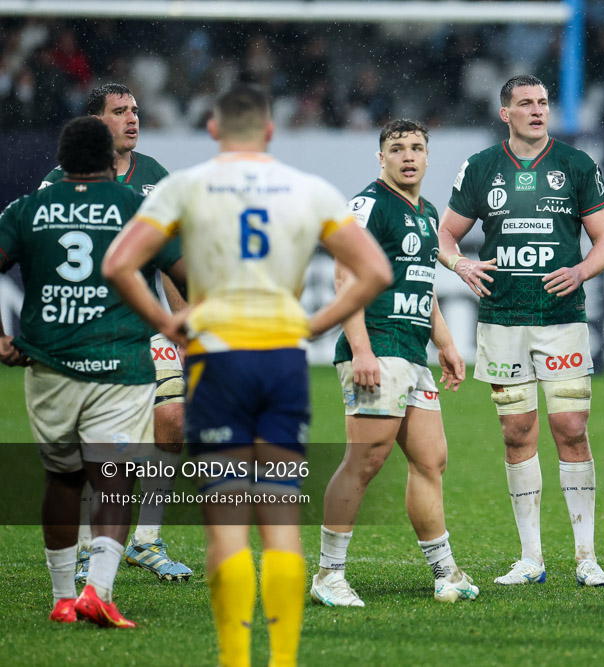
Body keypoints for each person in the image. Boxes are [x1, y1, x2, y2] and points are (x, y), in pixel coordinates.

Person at [103, 84, 391, 667]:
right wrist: (312, 325)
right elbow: (374, 270)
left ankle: (236, 657)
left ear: (212, 129)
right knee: (280, 516)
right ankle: (282, 659)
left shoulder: (186, 186)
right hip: (280, 358)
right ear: (269, 130)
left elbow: (118, 263)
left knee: (227, 524)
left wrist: (168, 320)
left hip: (217, 360)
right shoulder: (306, 189)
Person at [0, 116, 184, 628]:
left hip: (49, 365)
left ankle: (63, 598)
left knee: (62, 480)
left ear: (62, 161)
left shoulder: (28, 208)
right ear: (109, 160)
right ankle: (97, 592)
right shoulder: (134, 208)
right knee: (114, 479)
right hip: (118, 365)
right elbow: (185, 271)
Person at [438, 75, 604, 587]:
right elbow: (445, 234)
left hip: (561, 320)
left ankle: (586, 558)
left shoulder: (577, 165)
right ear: (506, 113)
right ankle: (531, 558)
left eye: (542, 102)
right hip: (502, 320)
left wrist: (581, 271)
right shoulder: (480, 168)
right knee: (517, 433)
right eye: (526, 104)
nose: (537, 111)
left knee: (571, 429)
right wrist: (461, 267)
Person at [311, 119, 478, 607]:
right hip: (377, 347)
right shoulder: (368, 206)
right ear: (380, 158)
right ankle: (329, 574)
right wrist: (361, 348)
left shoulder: (427, 213)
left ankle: (445, 571)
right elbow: (345, 275)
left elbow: (421, 286)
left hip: (411, 351)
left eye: (417, 148)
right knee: (365, 461)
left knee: (431, 460)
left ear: (428, 158)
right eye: (397, 148)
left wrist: (444, 343)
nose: (408, 155)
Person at [42, 82, 192, 583]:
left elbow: (172, 265)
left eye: (135, 110)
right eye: (119, 111)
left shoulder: (156, 179)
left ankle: (146, 541)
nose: (132, 118)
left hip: (145, 329)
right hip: (85, 333)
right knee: (103, 444)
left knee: (174, 420)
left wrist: (185, 327)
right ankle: (87, 546)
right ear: (95, 121)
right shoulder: (57, 183)